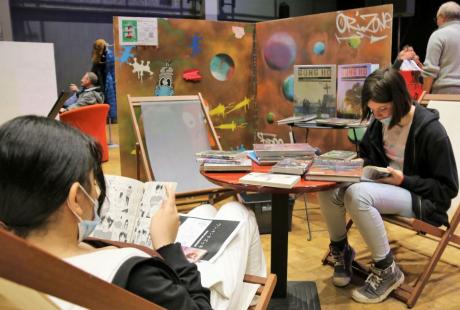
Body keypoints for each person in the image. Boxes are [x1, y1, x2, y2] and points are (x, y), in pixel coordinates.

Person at [0, 115, 266, 310]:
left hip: (164, 283)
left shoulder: (13, 265)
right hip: (197, 296)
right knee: (237, 212)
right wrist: (167, 245)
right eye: (93, 181)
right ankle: (251, 299)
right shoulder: (134, 277)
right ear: (76, 199)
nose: (97, 191)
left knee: (205, 209)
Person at [318, 68, 458, 304]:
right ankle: (341, 251)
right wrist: (350, 168)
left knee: (356, 195)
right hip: (384, 187)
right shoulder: (379, 123)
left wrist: (403, 180)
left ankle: (387, 271)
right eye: (372, 110)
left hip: (420, 197)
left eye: (383, 109)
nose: (378, 115)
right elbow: (367, 155)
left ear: (400, 99)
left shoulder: (431, 132)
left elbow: (447, 189)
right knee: (328, 186)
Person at [422, 1, 460, 94]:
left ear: (442, 17)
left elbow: (430, 70)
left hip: (444, 94)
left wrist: (423, 96)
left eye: (437, 19)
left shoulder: (438, 34)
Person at [91, 39, 117, 121]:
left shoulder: (105, 56)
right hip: (105, 81)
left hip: (105, 81)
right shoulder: (105, 55)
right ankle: (110, 117)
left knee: (109, 100)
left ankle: (110, 118)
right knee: (109, 100)